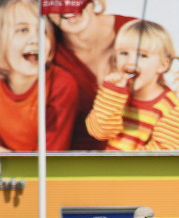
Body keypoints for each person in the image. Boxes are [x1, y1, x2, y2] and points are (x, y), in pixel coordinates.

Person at [0, 0, 78, 152]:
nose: (36, 40)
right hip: (0, 162)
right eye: (22, 30)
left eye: (43, 31)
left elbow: (50, 156)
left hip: (34, 165)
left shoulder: (61, 85)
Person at [48, 0, 137, 150]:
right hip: (77, 160)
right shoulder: (47, 51)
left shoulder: (134, 32)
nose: (66, 4)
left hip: (138, 158)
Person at [85, 19, 179, 151]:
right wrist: (111, 93)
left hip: (136, 165)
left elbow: (163, 154)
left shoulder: (171, 108)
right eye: (124, 53)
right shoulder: (115, 95)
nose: (131, 61)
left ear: (163, 65)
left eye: (142, 55)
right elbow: (100, 132)